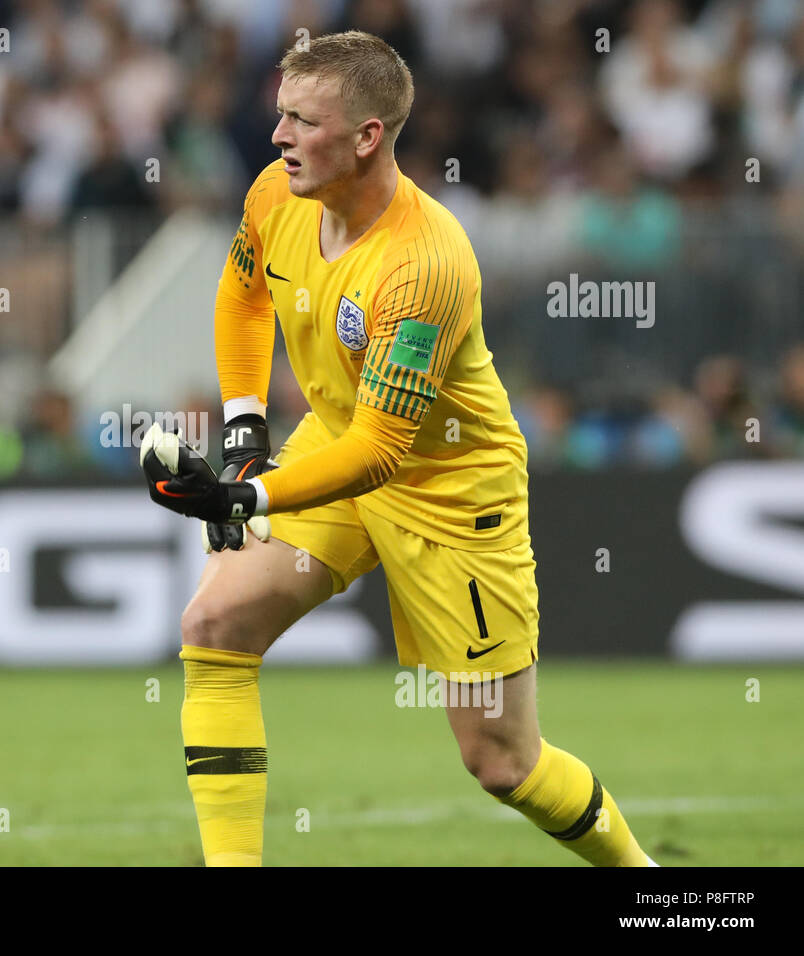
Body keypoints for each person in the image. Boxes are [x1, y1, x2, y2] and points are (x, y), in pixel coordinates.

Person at [140, 31, 657, 868]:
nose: (277, 138)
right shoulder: (278, 192)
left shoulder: (424, 264)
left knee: (502, 762)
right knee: (216, 620)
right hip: (336, 442)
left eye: (302, 121)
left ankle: (656, 889)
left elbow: (385, 453)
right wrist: (245, 435)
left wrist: (248, 500)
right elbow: (242, 295)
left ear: (368, 136)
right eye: (280, 115)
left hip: (451, 490)